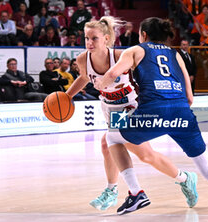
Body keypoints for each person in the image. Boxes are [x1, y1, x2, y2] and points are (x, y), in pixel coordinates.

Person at [94, 17, 208, 222]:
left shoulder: (135, 50)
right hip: (183, 114)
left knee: (111, 135)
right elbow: (190, 97)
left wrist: (100, 84)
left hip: (153, 112)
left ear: (144, 35)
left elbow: (112, 74)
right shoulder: (176, 54)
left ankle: (135, 192)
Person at [66, 16, 199, 211]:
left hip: (131, 105)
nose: (89, 42)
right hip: (109, 108)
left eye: (94, 38)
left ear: (106, 38)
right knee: (133, 152)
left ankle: (150, 187)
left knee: (115, 144)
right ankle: (181, 178)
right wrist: (67, 96)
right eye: (86, 38)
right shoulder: (82, 59)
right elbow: (84, 78)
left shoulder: (121, 56)